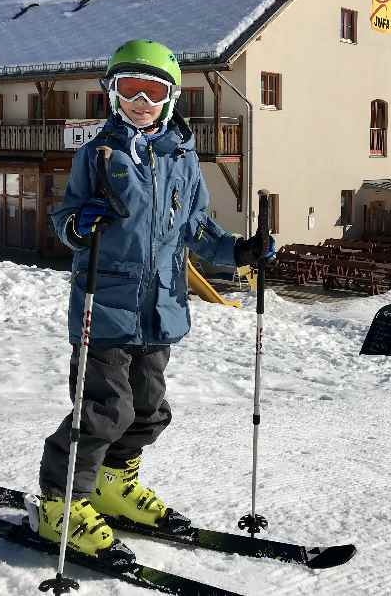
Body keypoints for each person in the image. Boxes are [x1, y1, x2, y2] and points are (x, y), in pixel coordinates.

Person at [32, 39, 275, 556]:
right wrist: (80, 223)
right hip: (106, 306)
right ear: (112, 94)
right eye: (130, 89)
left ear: (171, 98)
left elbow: (198, 229)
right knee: (103, 410)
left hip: (160, 309)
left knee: (148, 410)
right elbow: (65, 220)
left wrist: (241, 251)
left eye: (154, 90)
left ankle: (113, 485)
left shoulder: (183, 159)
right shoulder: (98, 155)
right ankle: (61, 502)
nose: (141, 100)